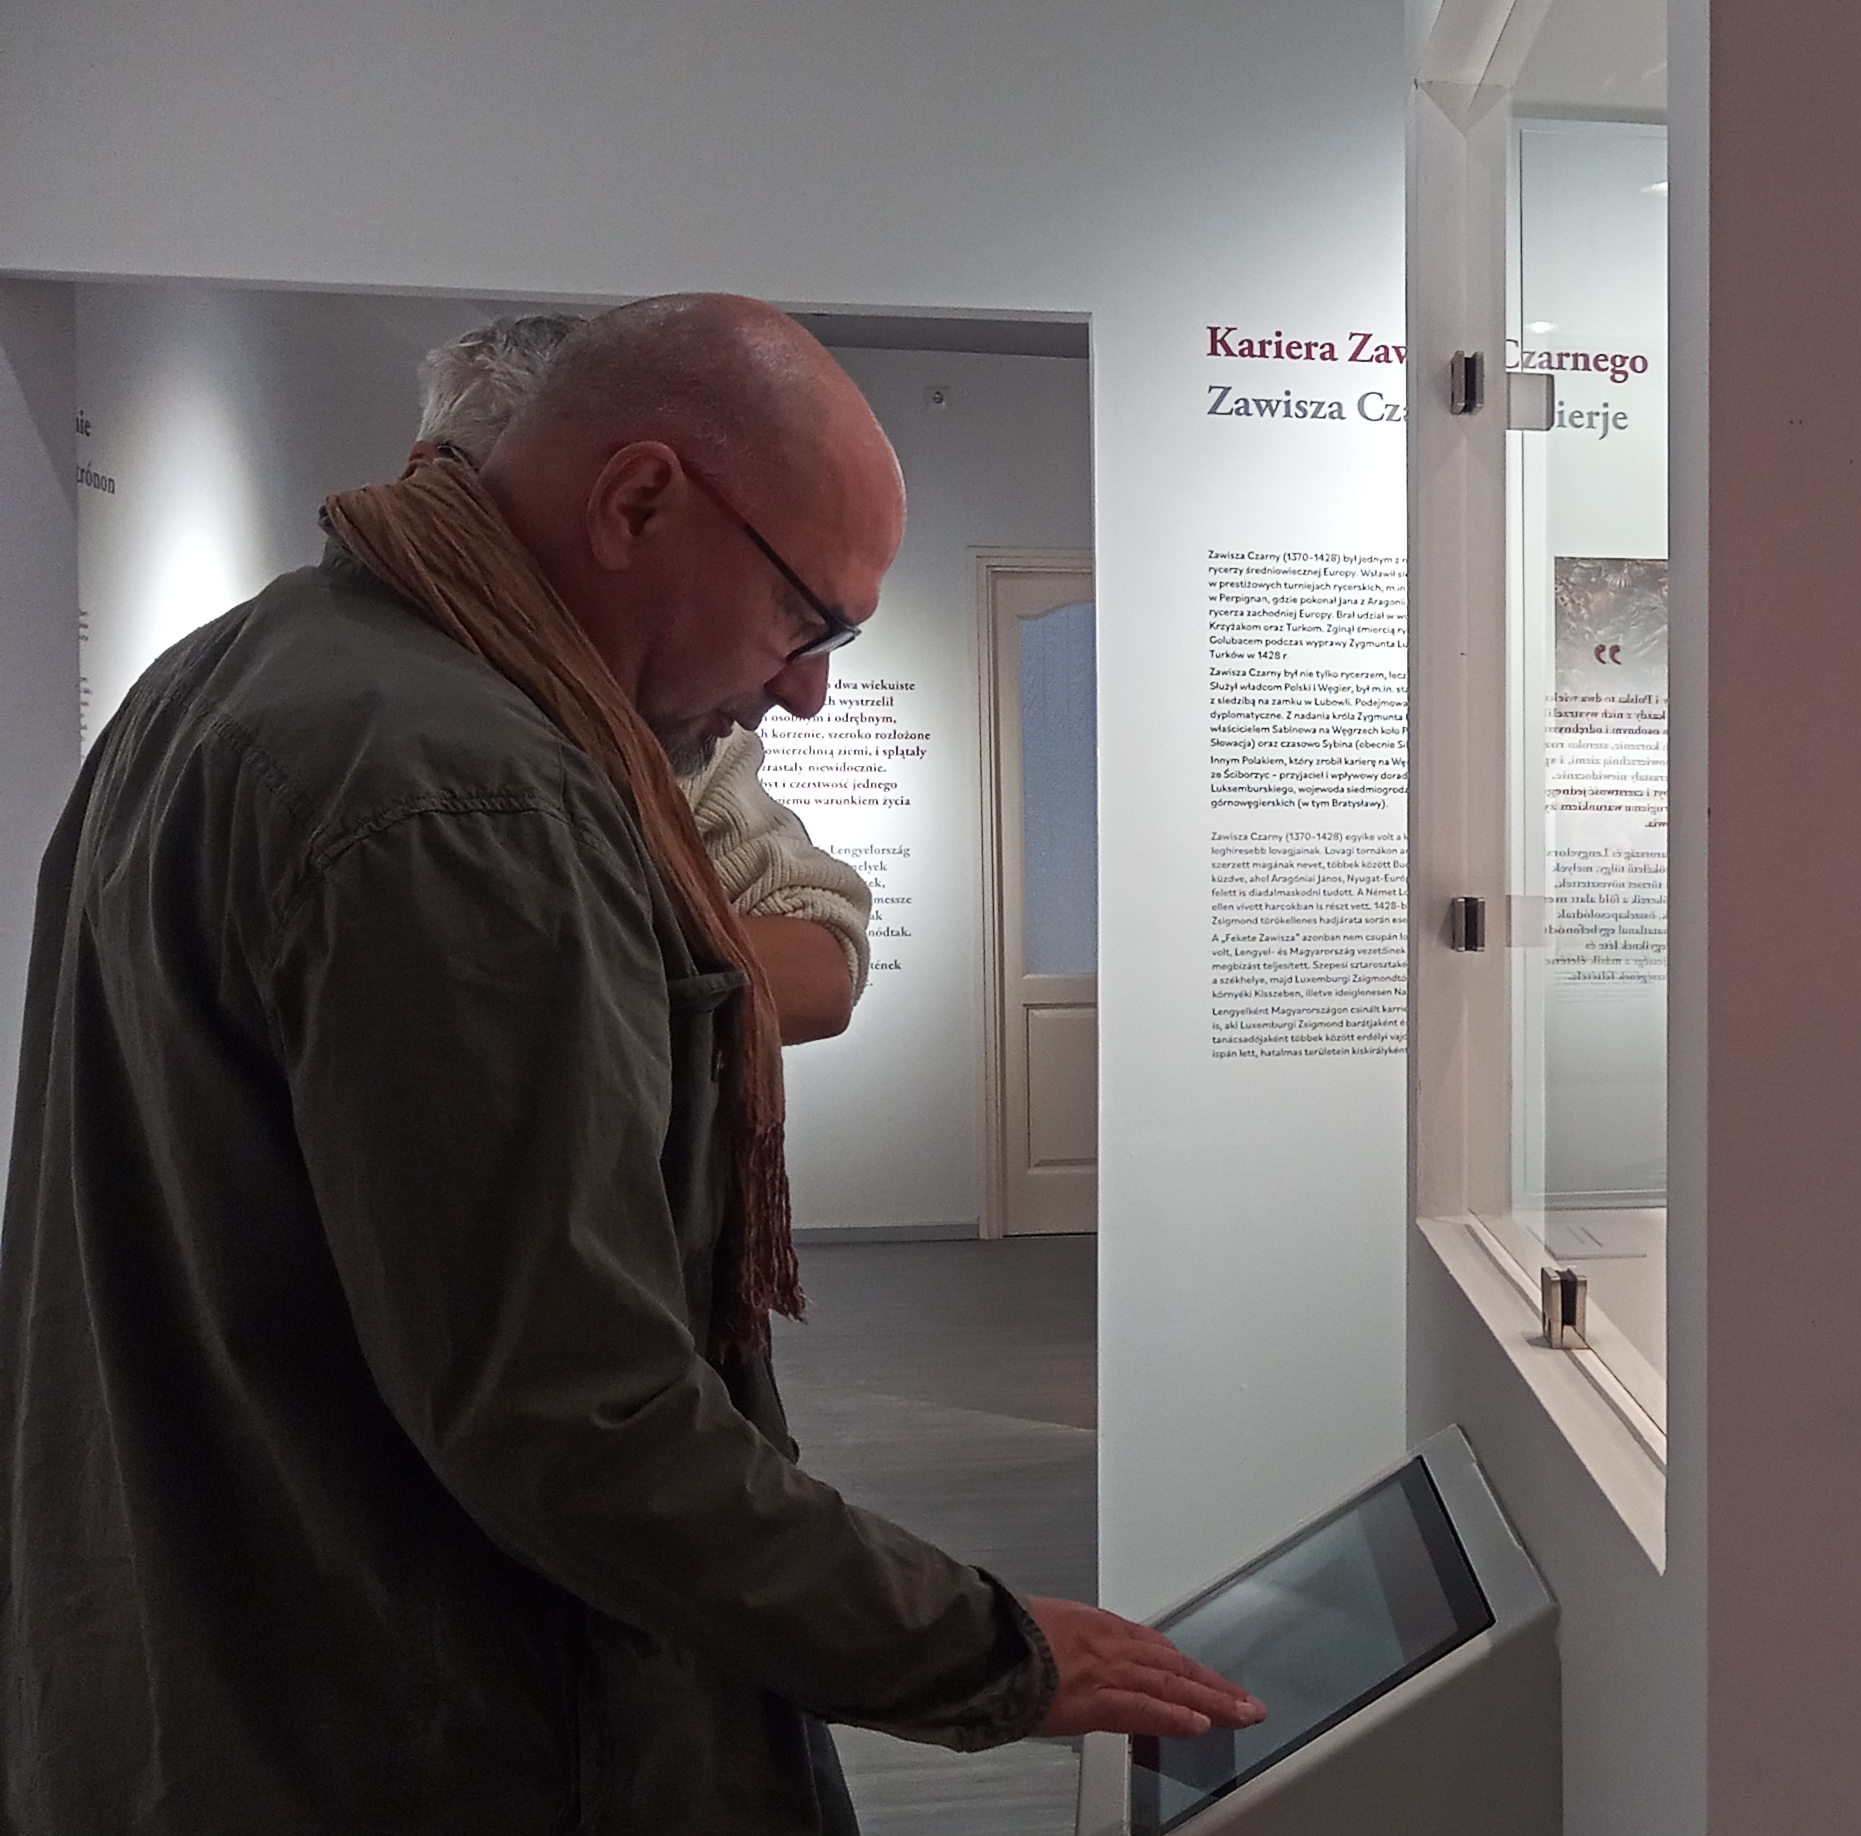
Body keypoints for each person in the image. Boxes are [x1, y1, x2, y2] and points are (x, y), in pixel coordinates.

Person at [0, 294, 1260, 1834]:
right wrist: (985, 1652)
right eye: (810, 618)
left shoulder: (219, 684)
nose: (807, 689)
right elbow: (575, 1418)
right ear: (639, 497)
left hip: (241, 1687)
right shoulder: (469, 802)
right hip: (425, 1735)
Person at [419, 312, 867, 1044]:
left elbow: (821, 961)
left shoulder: (655, 724)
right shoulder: (373, 715)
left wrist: (552, 978)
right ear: (430, 479)